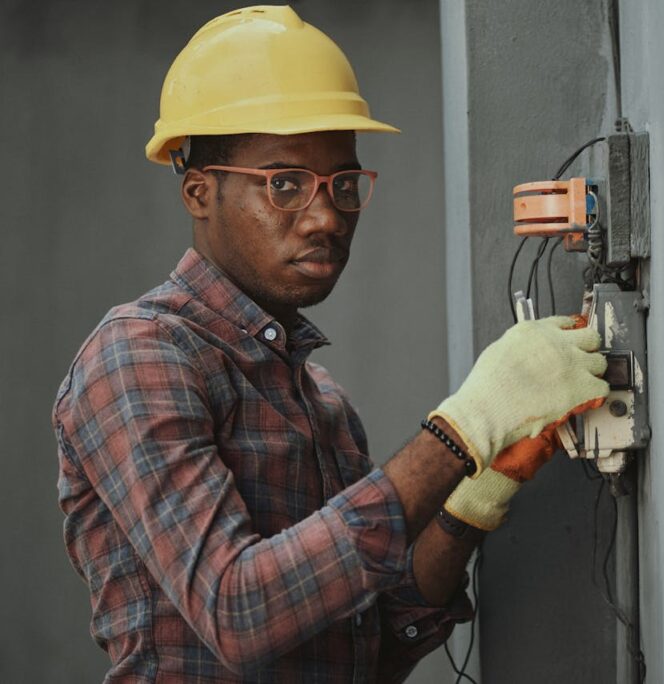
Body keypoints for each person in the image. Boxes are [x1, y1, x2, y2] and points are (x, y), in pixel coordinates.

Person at [51, 6, 608, 683]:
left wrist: (473, 499)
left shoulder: (325, 407)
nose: (325, 216)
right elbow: (240, 613)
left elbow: (373, 649)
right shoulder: (139, 357)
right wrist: (463, 430)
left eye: (343, 184)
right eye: (284, 184)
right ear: (200, 192)